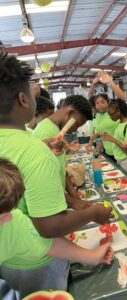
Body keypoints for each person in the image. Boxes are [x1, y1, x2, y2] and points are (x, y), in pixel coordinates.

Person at [0, 53, 112, 291]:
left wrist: (43, 149)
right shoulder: (32, 149)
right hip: (36, 260)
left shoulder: (30, 140)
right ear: (23, 99)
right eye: (32, 94)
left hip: (8, 256)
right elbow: (49, 226)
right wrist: (93, 213)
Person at [0, 158, 113, 298]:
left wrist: (93, 257)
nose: (10, 217)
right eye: (2, 215)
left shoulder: (12, 220)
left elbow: (45, 242)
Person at [33, 95, 94, 210]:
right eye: (77, 124)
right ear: (70, 113)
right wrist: (73, 203)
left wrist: (75, 197)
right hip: (49, 205)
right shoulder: (46, 132)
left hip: (59, 200)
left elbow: (61, 170)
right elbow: (46, 183)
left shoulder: (55, 130)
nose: (75, 130)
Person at [102, 99, 127, 173]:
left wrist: (113, 139)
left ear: (118, 111)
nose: (110, 117)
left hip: (126, 161)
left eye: (111, 114)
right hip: (119, 159)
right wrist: (109, 137)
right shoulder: (119, 123)